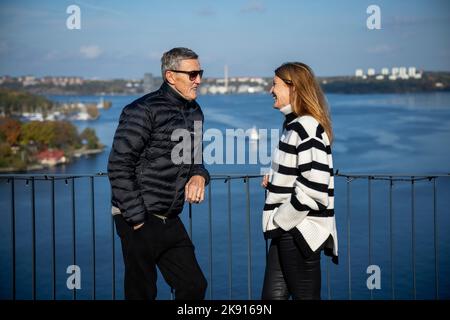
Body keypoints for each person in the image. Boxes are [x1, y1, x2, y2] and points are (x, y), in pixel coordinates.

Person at [107, 47, 209, 300]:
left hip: (170, 217)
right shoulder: (142, 110)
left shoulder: (194, 111)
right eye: (193, 74)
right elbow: (119, 165)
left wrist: (199, 176)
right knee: (142, 292)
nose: (199, 80)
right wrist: (137, 218)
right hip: (138, 216)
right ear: (170, 76)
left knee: (194, 285)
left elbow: (196, 161)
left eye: (200, 73)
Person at [261, 62, 338, 300]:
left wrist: (281, 219)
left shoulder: (306, 126)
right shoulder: (293, 125)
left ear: (293, 88)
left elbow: (315, 187)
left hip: (297, 230)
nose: (270, 90)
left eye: (275, 84)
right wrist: (275, 179)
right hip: (287, 230)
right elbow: (300, 171)